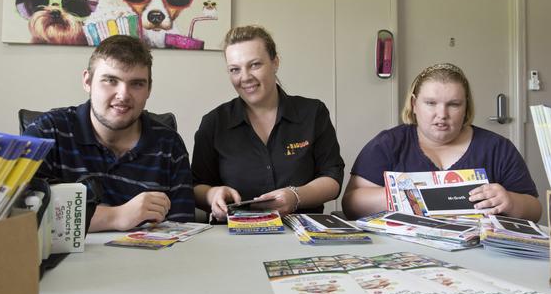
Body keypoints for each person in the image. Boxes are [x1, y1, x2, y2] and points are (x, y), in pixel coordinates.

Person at [23, 35, 195, 231]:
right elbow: (20, 213)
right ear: (87, 81)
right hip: (65, 261)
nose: (123, 95)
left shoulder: (169, 145)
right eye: (111, 80)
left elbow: (183, 230)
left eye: (137, 84)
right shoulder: (47, 132)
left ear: (149, 89)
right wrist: (117, 216)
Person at [342, 63, 541, 222]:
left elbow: (535, 210)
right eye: (430, 103)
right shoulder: (389, 143)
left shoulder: (497, 148)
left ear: (466, 106)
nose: (442, 114)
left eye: (454, 104)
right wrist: (408, 196)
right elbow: (351, 203)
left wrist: (510, 202)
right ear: (413, 104)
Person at [192, 25, 344, 221]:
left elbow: (332, 178)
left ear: (275, 63)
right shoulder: (214, 123)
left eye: (255, 65)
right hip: (235, 237)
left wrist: (295, 196)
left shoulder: (313, 113)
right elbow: (196, 186)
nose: (245, 77)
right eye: (235, 69)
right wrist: (214, 194)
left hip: (302, 233)